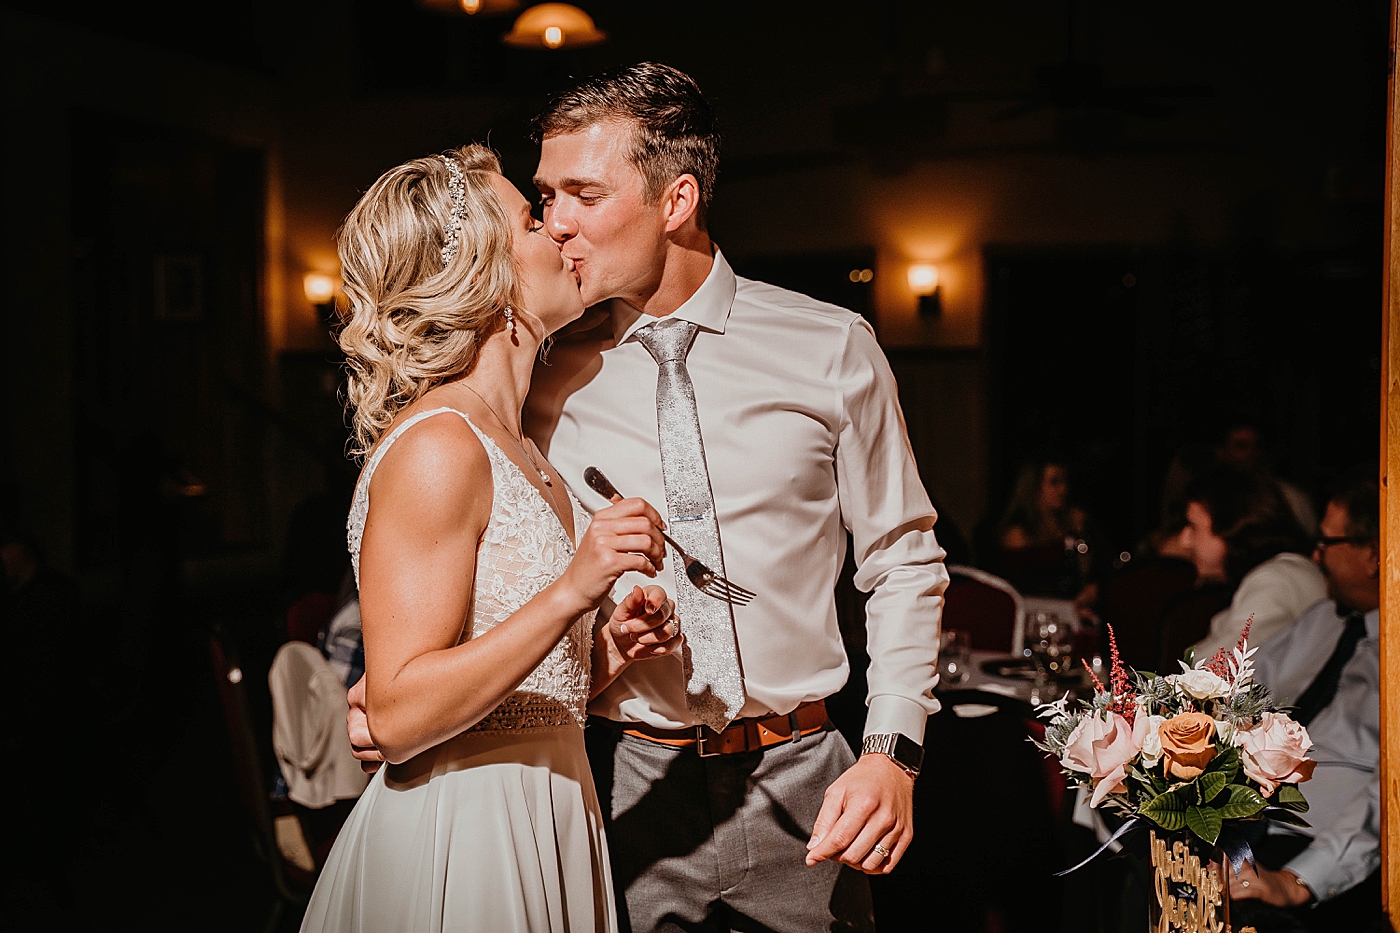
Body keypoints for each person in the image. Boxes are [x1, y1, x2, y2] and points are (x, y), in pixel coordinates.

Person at [522, 62, 946, 931]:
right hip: (621, 777)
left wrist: (892, 753)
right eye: (545, 194)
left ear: (675, 201)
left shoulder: (831, 345)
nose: (553, 221)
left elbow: (902, 560)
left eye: (582, 193)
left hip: (808, 782)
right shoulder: (543, 375)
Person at [299, 144, 682, 933]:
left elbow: (510, 695)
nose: (560, 232)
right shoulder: (440, 446)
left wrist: (603, 654)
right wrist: (573, 589)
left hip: (551, 809)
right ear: (487, 270)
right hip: (463, 836)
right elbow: (400, 713)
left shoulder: (525, 450)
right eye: (531, 220)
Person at [1229, 473, 1382, 933]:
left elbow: (1386, 802)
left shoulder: (1392, 659)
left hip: (1322, 847)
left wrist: (1297, 881)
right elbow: (1240, 689)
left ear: (1373, 555)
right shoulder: (1323, 620)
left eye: (1326, 542)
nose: (1316, 555)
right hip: (1247, 816)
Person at [1180, 464, 1326, 662]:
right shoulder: (1284, 571)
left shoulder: (1274, 580)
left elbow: (1215, 676)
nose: (1184, 541)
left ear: (1232, 529)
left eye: (1193, 527)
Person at [991, 453, 1109, 620]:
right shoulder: (1018, 534)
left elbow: (1101, 566)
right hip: (1037, 617)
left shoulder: (1075, 523)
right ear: (1034, 487)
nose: (1063, 490)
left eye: (1065, 482)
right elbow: (1024, 589)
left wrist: (1095, 589)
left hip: (1080, 614)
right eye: (1054, 483)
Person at [1214, 416, 1319, 538]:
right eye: (1241, 446)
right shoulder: (1209, 500)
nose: (1251, 453)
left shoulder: (1291, 497)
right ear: (1220, 452)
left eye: (1257, 446)